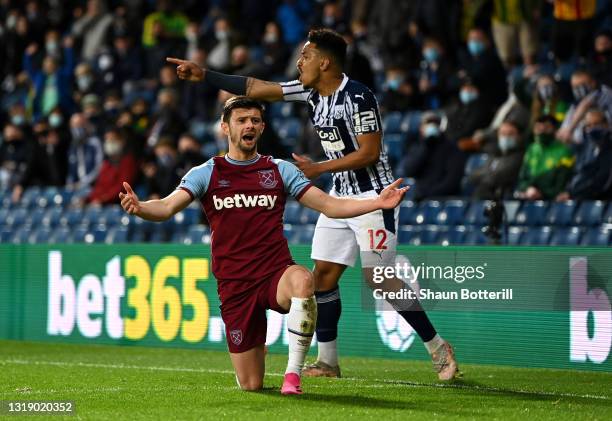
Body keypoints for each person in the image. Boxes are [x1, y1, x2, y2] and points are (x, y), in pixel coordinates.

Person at [166, 28, 458, 381]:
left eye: (305, 56)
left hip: (373, 198)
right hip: (338, 196)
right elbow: (259, 88)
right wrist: (206, 75)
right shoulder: (310, 91)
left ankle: (437, 347)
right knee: (322, 278)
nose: (299, 61)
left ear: (325, 62)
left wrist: (318, 168)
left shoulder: (359, 97)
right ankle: (328, 362)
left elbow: (369, 152)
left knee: (378, 278)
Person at [119, 96, 408, 394]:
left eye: (255, 121)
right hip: (235, 284)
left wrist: (376, 202)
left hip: (274, 273)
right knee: (251, 384)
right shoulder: (207, 172)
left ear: (262, 128)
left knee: (303, 280)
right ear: (225, 128)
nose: (249, 125)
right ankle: (257, 349)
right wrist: (140, 207)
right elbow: (166, 208)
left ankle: (292, 375)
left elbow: (329, 205)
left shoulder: (279, 170)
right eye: (242, 120)